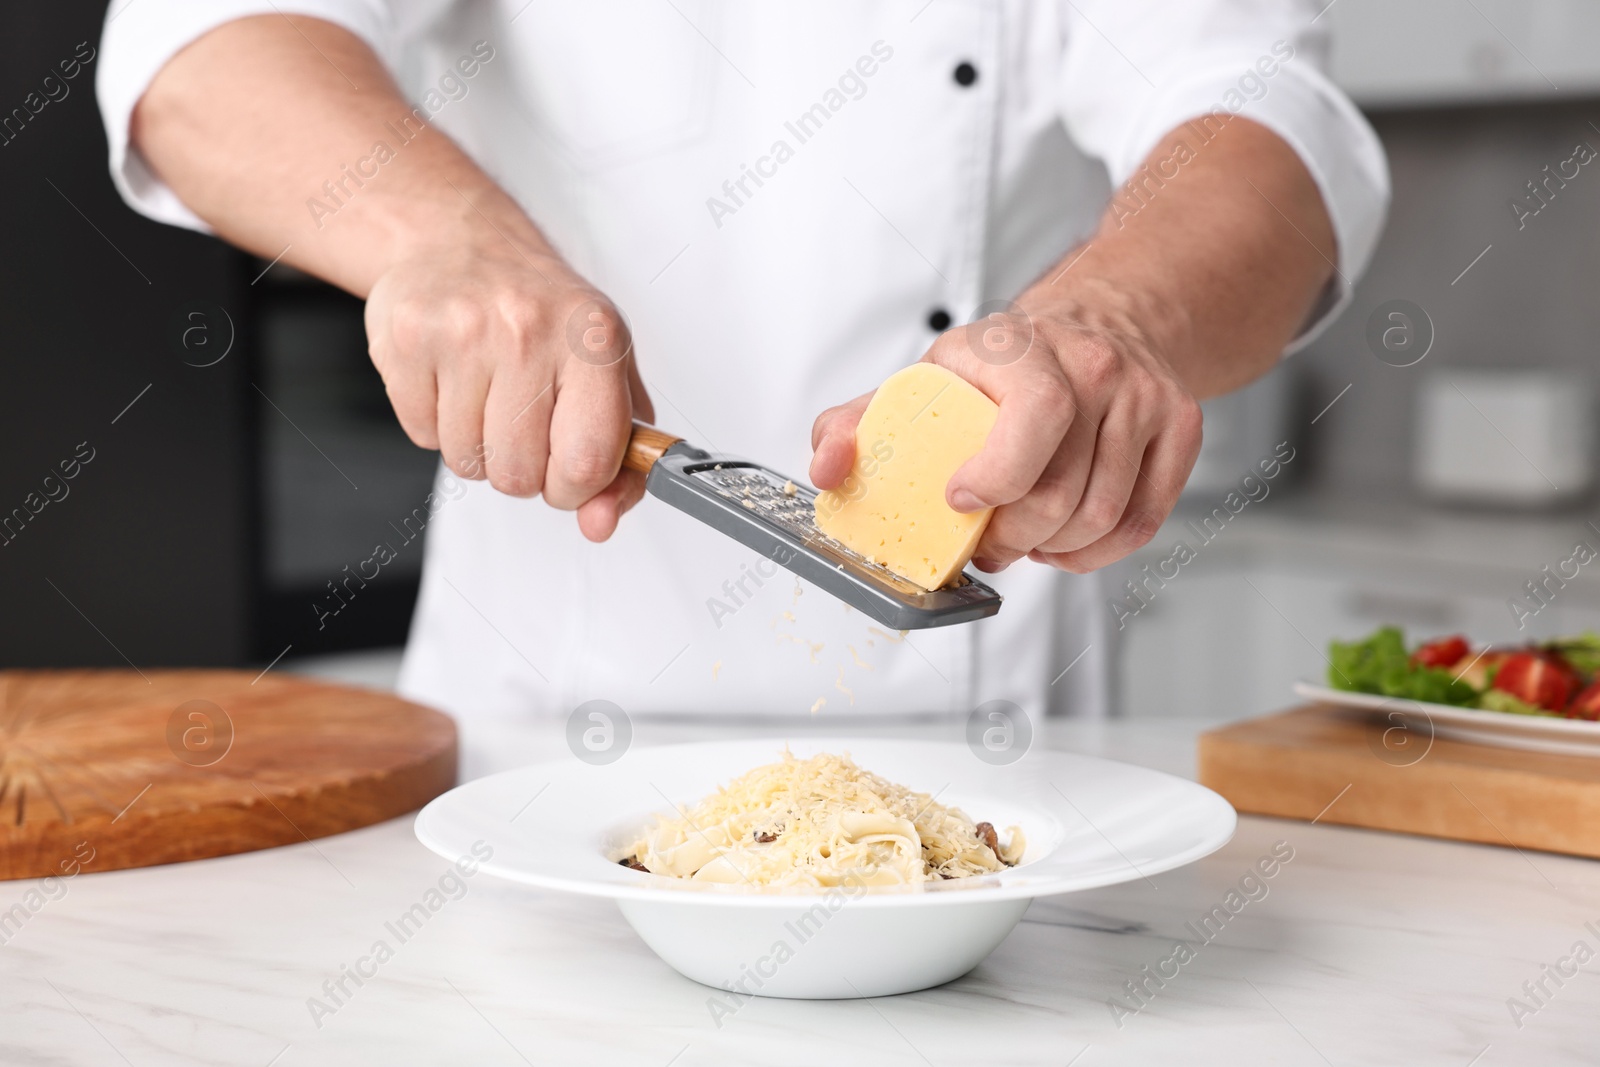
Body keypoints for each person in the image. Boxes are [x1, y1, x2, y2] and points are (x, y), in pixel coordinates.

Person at [98, 1, 1387, 724]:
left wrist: (1114, 321)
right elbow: (195, 45)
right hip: (537, 749)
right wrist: (443, 239)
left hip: (1002, 770)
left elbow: (1269, 112)